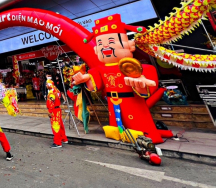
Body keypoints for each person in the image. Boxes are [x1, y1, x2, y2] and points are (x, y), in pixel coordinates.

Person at [72, 14, 173, 143]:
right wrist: (85, 79)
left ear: (129, 45)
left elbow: (147, 79)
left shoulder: (131, 66)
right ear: (97, 49)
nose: (106, 47)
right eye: (101, 44)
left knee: (139, 123)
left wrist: (140, 84)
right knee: (116, 122)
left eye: (111, 42)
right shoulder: (101, 69)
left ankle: (148, 138)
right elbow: (95, 82)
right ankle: (121, 134)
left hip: (132, 100)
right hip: (112, 101)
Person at [46, 79, 68, 148]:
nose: (46, 85)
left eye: (47, 84)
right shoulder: (56, 90)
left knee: (55, 126)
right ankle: (64, 138)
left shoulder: (51, 92)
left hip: (54, 110)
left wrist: (50, 111)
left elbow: (51, 102)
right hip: (58, 109)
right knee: (60, 125)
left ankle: (57, 142)